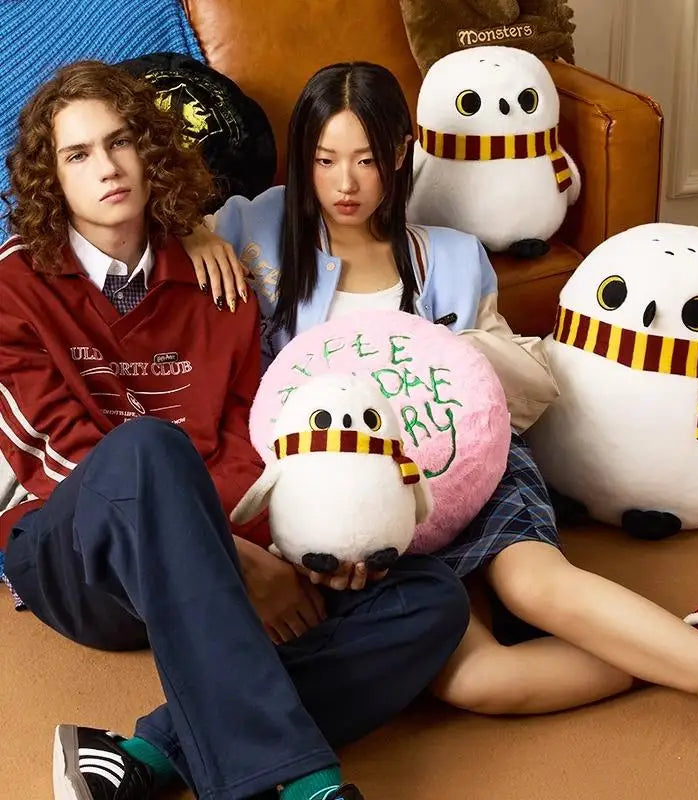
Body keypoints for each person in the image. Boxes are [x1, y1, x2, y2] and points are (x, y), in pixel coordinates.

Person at [183, 59, 698, 757]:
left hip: (468, 461)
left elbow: (511, 382)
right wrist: (197, 233)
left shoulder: (452, 257)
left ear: (401, 154)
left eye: (366, 159)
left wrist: (457, 349)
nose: (344, 184)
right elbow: (155, 231)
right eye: (325, 160)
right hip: (367, 498)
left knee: (535, 589)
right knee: (477, 680)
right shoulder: (253, 227)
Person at [0, 60, 471, 800]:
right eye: (78, 155)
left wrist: (299, 548)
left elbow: (249, 442)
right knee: (150, 448)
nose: (108, 168)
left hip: (206, 574)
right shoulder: (13, 285)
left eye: (120, 142)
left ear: (149, 150)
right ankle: (307, 783)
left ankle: (149, 755)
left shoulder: (219, 280)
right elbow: (55, 461)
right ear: (50, 179)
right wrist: (233, 561)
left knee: (430, 597)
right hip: (79, 562)